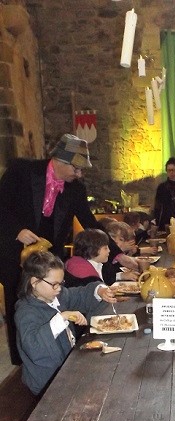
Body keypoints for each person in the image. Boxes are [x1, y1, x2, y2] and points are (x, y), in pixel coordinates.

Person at [0, 134, 137, 365]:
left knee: (52, 300)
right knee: (20, 303)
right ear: (60, 160)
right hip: (15, 252)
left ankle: (55, 351)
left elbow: (90, 222)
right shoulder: (21, 171)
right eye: (76, 168)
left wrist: (119, 254)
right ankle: (23, 362)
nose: (79, 174)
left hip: (48, 255)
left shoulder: (75, 189)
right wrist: (17, 230)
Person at [14, 251, 122, 421]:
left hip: (64, 365)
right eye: (54, 284)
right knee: (70, 419)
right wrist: (62, 318)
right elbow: (34, 347)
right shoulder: (25, 311)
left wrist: (99, 290)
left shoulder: (55, 297)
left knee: (101, 379)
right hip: (46, 376)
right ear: (34, 282)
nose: (59, 288)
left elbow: (79, 294)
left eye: (61, 283)